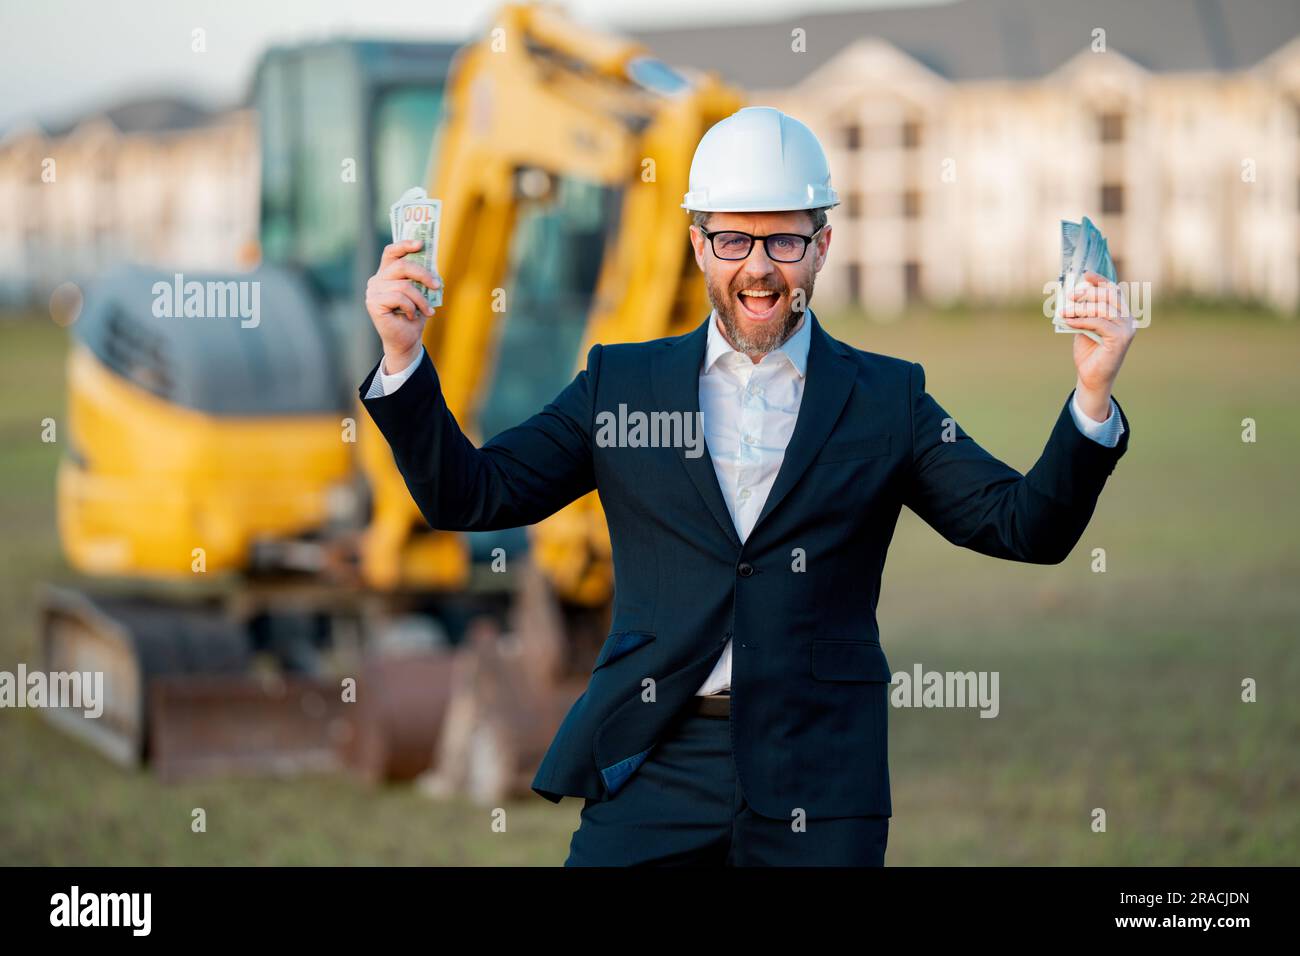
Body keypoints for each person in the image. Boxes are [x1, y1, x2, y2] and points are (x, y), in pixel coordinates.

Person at [359, 106, 1135, 866]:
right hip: (654, 761)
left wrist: (1092, 398)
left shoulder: (887, 401)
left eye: (785, 239)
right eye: (733, 237)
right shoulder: (619, 385)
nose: (759, 267)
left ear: (822, 245)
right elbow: (472, 494)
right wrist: (403, 361)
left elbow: (1025, 527)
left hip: (820, 774)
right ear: (699, 244)